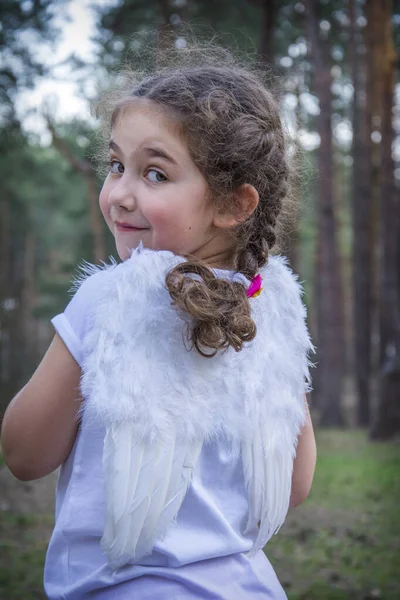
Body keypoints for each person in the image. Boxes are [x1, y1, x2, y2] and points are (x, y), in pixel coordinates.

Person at [1, 40, 317, 599]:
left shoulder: (109, 300)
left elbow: (24, 453)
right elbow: (294, 484)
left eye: (155, 174)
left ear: (233, 205)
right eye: (117, 165)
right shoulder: (275, 305)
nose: (119, 194)